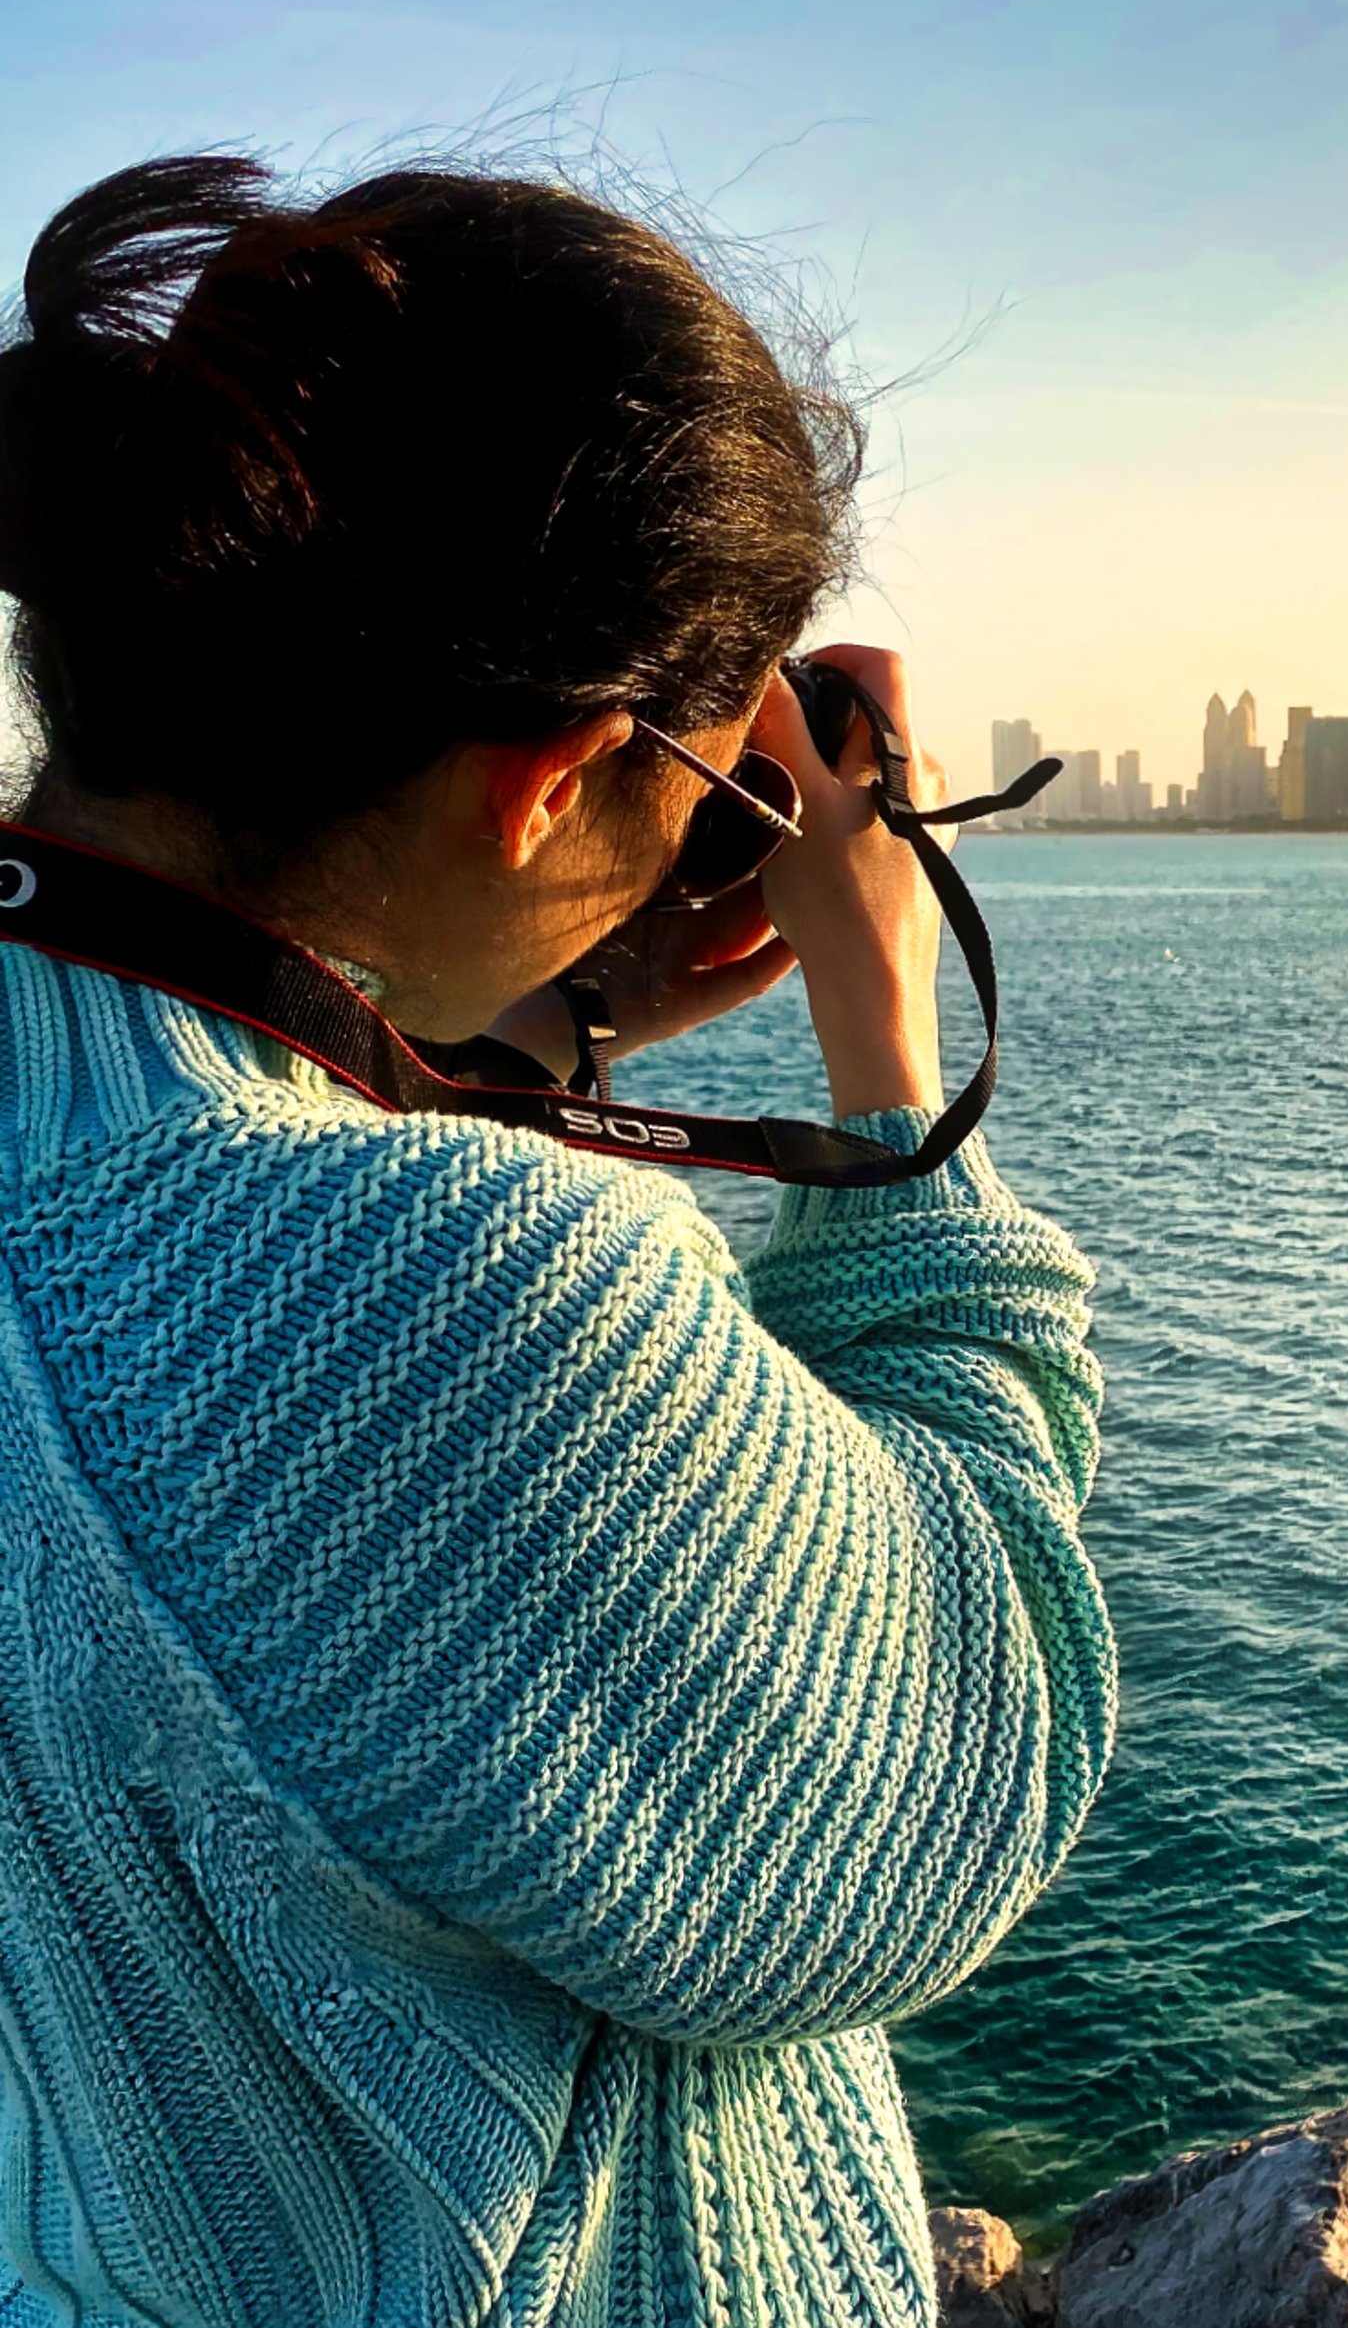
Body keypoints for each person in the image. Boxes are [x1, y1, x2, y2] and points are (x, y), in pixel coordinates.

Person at [0, 155, 1117, 2328]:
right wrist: (884, 1047)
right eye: (699, 771)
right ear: (550, 776)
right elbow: (958, 1763)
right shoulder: (429, 1288)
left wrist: (530, 1032)